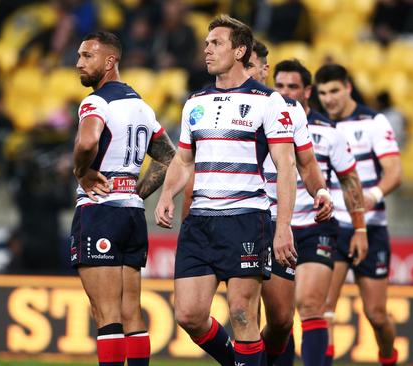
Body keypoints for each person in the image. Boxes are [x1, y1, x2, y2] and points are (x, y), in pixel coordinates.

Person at [154, 15, 297, 365]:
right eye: (206, 44)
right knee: (188, 315)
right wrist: (166, 195)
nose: (207, 49)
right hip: (200, 221)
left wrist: (282, 229)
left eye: (216, 43)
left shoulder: (268, 101)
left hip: (246, 219)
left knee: (243, 313)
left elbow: (287, 167)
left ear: (239, 50)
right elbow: (184, 160)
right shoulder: (195, 102)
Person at [71, 31, 176, 366]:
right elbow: (169, 158)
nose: (79, 63)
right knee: (133, 315)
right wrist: (136, 192)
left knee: (107, 316)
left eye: (88, 56)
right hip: (131, 212)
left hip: (100, 211)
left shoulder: (96, 102)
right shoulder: (142, 107)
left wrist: (81, 172)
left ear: (109, 61)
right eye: (79, 55)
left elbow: (88, 143)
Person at [272, 59, 368, 366]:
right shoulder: (263, 126)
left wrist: (361, 229)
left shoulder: (329, 133)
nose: (286, 93)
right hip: (276, 229)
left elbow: (350, 182)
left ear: (308, 91)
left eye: (293, 86)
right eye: (280, 86)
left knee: (311, 305)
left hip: (317, 227)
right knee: (280, 318)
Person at [245, 41, 334, 366]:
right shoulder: (212, 102)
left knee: (281, 320)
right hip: (236, 219)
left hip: (279, 221)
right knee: (244, 314)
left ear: (262, 68)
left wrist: (320, 191)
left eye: (251, 64)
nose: (247, 71)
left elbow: (308, 165)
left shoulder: (288, 109)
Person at [316, 64, 402, 366]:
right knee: (324, 308)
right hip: (332, 226)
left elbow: (394, 172)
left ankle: (388, 356)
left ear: (348, 88)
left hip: (371, 226)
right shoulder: (319, 125)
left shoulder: (374, 122)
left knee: (376, 315)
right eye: (323, 93)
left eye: (335, 91)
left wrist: (372, 195)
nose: (329, 99)